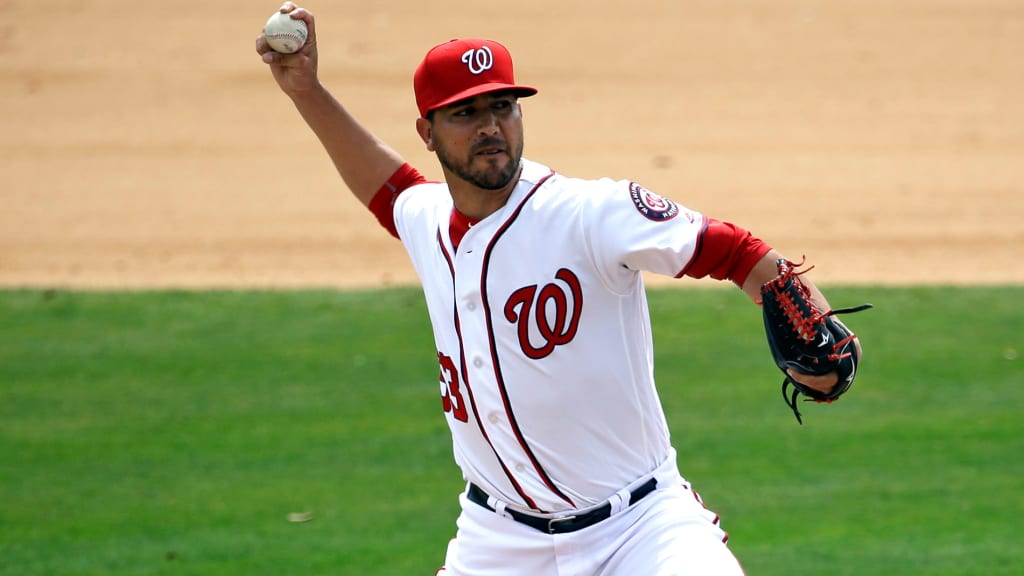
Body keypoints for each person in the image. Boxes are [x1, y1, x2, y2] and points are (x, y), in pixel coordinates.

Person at [257, 3, 862, 574]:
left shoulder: (587, 212)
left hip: (641, 527)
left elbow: (739, 251)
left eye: (504, 107)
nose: (491, 127)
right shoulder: (428, 221)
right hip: (499, 541)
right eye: (466, 114)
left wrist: (813, 323)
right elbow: (389, 191)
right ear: (429, 130)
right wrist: (306, 91)